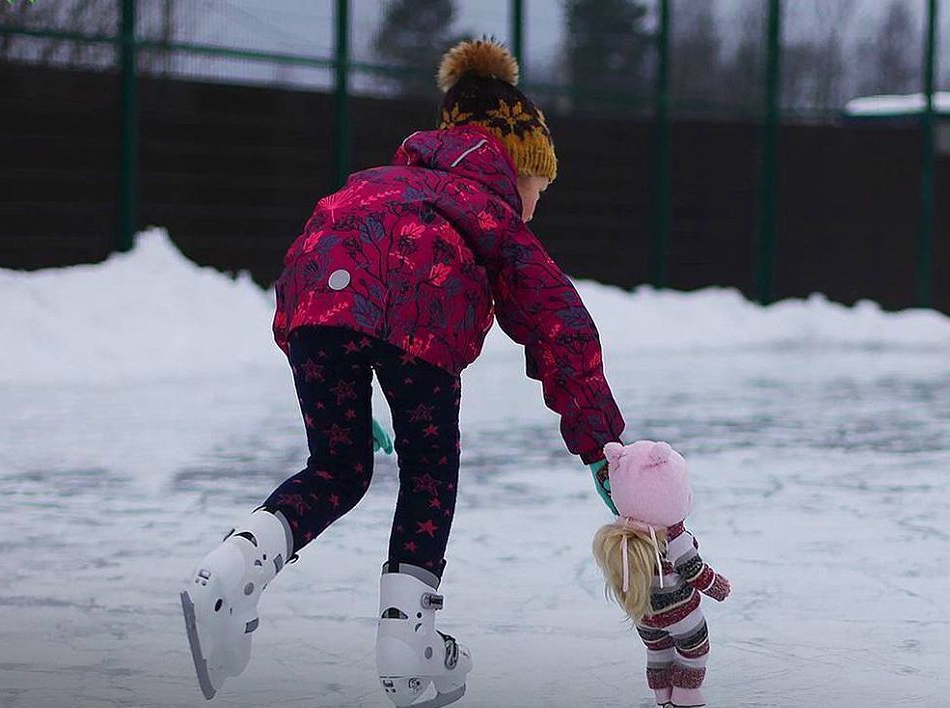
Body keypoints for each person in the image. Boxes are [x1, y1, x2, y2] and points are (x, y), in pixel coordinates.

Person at [181, 38, 625, 706]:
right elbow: (558, 325)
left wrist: (330, 374)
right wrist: (602, 447)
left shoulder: (376, 183)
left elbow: (309, 268)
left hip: (316, 305)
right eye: (538, 185)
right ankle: (407, 636)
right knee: (428, 469)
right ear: (513, 166)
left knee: (338, 466)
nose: (536, 202)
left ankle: (232, 568)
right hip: (418, 312)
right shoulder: (492, 213)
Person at [592, 441, 731, 708]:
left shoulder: (623, 537)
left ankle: (663, 697)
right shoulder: (674, 538)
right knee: (694, 649)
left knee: (658, 652)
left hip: (645, 616)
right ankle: (686, 697)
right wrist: (718, 587)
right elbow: (695, 572)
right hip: (681, 615)